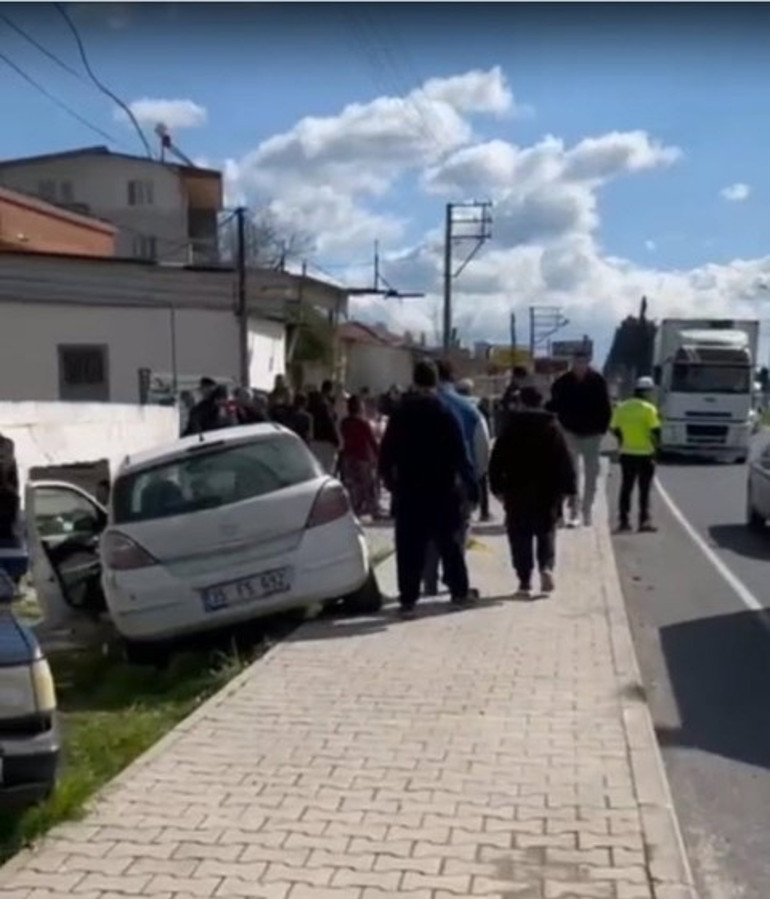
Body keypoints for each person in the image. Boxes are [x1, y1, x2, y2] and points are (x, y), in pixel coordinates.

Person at [379, 360, 479, 617]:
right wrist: (472, 487)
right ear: (435, 382)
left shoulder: (401, 413)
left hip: (410, 490)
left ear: (414, 380)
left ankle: (408, 600)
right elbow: (461, 453)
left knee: (409, 547)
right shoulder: (445, 412)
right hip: (443, 488)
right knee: (450, 543)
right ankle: (458, 593)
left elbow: (386, 454)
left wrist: (392, 484)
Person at [489, 386, 577, 595]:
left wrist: (497, 487)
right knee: (546, 530)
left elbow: (497, 460)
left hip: (516, 489)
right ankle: (545, 567)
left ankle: (524, 580)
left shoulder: (511, 427)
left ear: (522, 403)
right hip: (547, 490)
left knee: (519, 535)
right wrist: (569, 489)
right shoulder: (553, 427)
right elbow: (564, 460)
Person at [422, 360, 490, 594]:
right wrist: (476, 478)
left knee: (429, 533)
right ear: (452, 378)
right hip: (457, 481)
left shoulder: (415, 406)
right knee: (456, 533)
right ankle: (454, 579)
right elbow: (482, 447)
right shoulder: (469, 409)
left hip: (421, 480)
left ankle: (429, 580)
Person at [548, 350, 612, 527]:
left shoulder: (598, 381)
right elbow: (555, 405)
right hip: (570, 432)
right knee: (572, 473)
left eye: (583, 362)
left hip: (593, 433)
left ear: (588, 362)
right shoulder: (562, 382)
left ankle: (587, 510)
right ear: (572, 362)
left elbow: (606, 407)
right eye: (577, 362)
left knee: (592, 474)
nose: (580, 365)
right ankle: (574, 511)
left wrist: (602, 429)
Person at [610, 376, 661, 533]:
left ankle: (624, 522)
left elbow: (613, 427)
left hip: (627, 453)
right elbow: (655, 431)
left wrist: (622, 439)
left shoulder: (622, 407)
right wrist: (656, 448)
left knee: (626, 488)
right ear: (647, 392)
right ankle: (644, 521)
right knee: (644, 490)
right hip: (645, 453)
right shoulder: (649, 409)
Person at [339, 395, 380, 518]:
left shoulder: (344, 423)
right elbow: (372, 441)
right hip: (362, 457)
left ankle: (354, 509)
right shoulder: (363, 424)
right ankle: (373, 510)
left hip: (348, 456)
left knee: (352, 485)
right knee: (368, 485)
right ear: (359, 408)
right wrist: (378, 456)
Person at [308, 381, 340, 474]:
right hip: (326, 440)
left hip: (314, 439)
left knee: (315, 469)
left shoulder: (312, 402)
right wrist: (336, 440)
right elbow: (329, 422)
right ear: (330, 390)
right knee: (327, 470)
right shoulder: (325, 405)